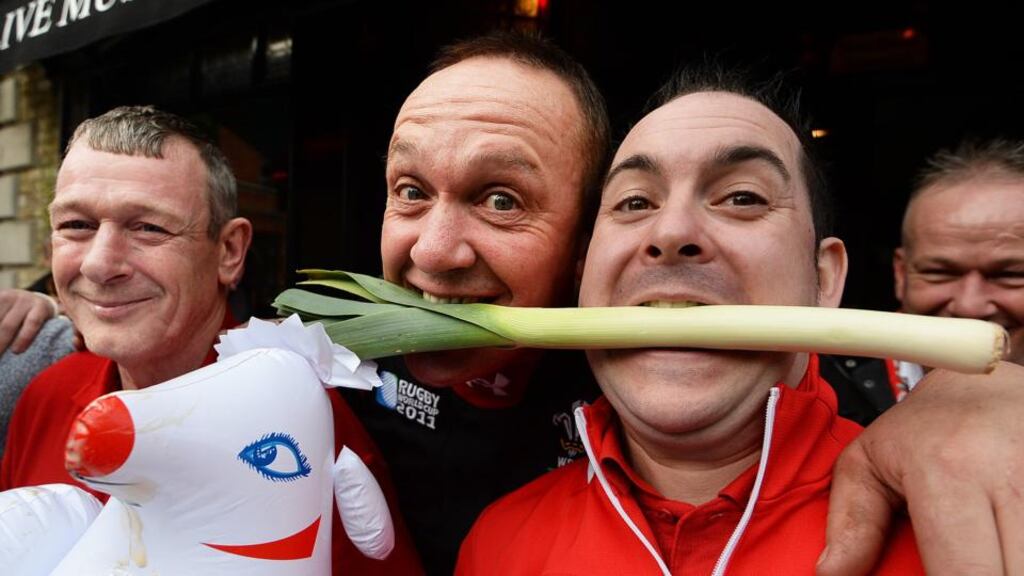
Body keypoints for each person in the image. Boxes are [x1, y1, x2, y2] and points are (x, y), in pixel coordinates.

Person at [455, 64, 923, 575]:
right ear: (584, 274)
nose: (672, 230)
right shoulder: (499, 545)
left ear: (825, 277)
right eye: (635, 202)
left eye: (743, 197)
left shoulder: (945, 519)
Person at [0, 106, 423, 574]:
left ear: (229, 252)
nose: (100, 264)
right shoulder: (47, 393)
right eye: (76, 225)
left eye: (148, 228)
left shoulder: (297, 423)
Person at [894, 138, 1024, 365]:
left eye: (1010, 275)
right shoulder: (828, 389)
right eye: (939, 272)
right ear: (901, 275)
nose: (969, 307)